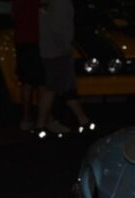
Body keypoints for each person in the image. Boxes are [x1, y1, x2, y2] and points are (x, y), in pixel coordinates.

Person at [35, 0, 92, 135]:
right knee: (53, 88)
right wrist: (66, 47)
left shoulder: (53, 4)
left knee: (63, 87)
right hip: (57, 53)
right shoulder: (61, 3)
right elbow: (58, 28)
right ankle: (40, 124)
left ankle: (83, 120)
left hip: (51, 51)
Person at [11, 0, 43, 131]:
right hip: (36, 40)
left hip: (21, 40)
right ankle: (43, 118)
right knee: (42, 82)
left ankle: (26, 119)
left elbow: (14, 15)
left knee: (26, 82)